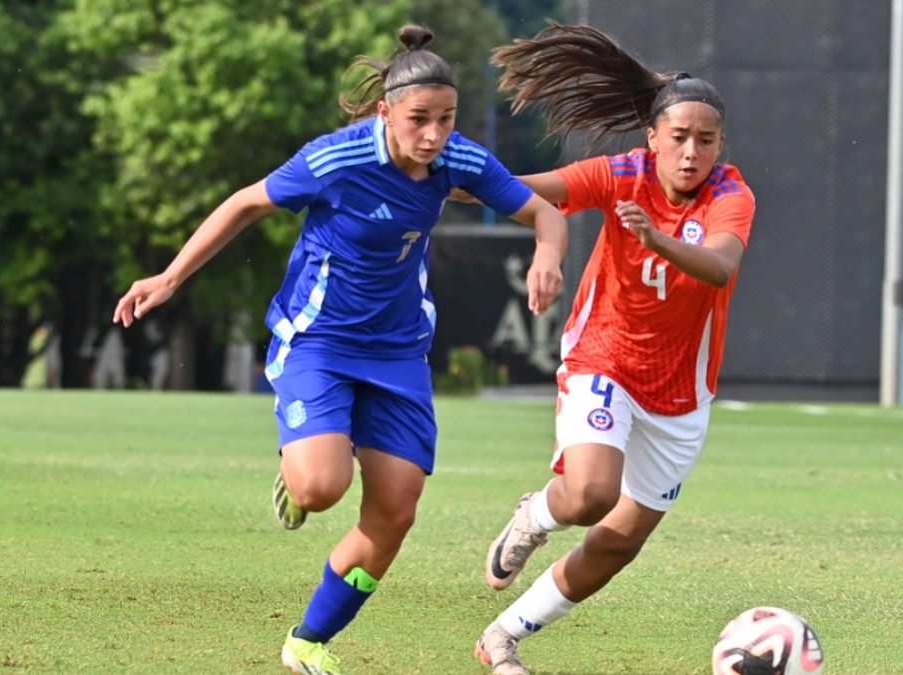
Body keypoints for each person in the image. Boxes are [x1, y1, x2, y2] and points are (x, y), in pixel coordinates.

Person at [112, 25, 568, 675]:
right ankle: (299, 471)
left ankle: (307, 641)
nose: (434, 134)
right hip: (318, 342)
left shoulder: (458, 161)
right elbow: (246, 203)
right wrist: (170, 276)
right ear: (386, 112)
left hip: (399, 353)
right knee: (321, 487)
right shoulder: (336, 159)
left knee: (396, 512)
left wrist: (547, 257)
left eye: (446, 119)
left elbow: (545, 213)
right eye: (419, 120)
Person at [467, 23, 756, 675]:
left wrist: (655, 239)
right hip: (606, 357)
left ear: (720, 145)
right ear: (652, 137)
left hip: (681, 396)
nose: (691, 152)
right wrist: (456, 181)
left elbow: (718, 267)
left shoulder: (730, 195)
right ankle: (535, 515)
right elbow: (533, 191)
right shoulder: (618, 174)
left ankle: (501, 637)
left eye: (705, 140)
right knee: (591, 494)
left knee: (619, 541)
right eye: (678, 137)